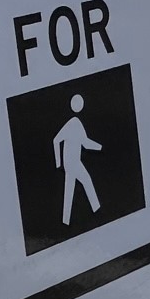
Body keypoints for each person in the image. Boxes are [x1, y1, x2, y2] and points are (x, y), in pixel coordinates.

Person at [54, 93, 102, 226]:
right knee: (84, 181)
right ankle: (96, 209)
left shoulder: (77, 123)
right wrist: (58, 163)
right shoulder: (73, 123)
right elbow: (56, 140)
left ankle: (66, 220)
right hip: (72, 163)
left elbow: (85, 143)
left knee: (72, 188)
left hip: (72, 163)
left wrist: (100, 147)